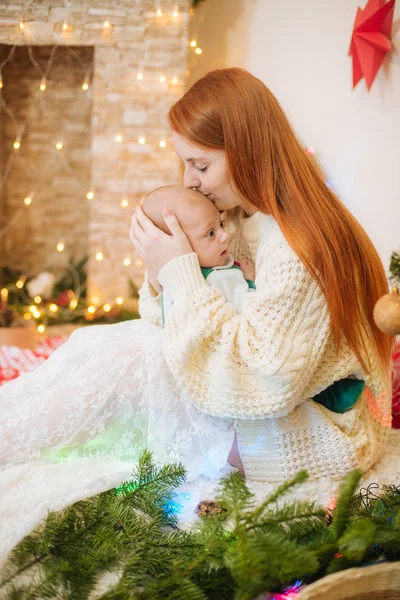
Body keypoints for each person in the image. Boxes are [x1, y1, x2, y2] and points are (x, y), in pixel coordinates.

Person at [0, 67, 398, 563]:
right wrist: (159, 271)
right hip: (248, 408)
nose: (189, 181)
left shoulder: (301, 247)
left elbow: (264, 379)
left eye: (200, 166)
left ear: (248, 151)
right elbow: (163, 318)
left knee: (124, 354)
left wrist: (181, 273)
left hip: (304, 431)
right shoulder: (236, 218)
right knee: (109, 352)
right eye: (184, 164)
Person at [140, 184, 256, 324]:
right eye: (211, 233)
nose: (225, 235)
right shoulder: (217, 279)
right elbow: (246, 309)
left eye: (221, 224)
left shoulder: (176, 280)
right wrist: (249, 281)